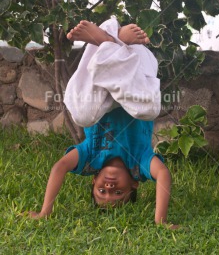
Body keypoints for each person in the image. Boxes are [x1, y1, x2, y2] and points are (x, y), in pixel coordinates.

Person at [28, 18, 179, 229]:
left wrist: (46, 211)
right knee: (149, 109)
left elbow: (60, 167)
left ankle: (106, 41)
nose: (109, 187)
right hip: (134, 72)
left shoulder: (90, 156)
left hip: (101, 92)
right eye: (118, 193)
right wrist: (160, 220)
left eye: (102, 191)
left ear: (94, 181)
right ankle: (112, 41)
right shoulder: (139, 162)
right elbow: (163, 173)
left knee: (82, 115)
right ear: (134, 184)